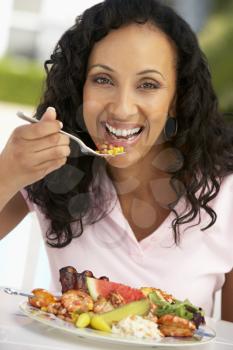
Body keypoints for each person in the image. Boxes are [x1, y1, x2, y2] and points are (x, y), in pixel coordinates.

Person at [0, 0, 233, 322]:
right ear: (79, 88)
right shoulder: (52, 170)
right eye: (103, 79)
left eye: (148, 85)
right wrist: (7, 172)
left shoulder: (227, 193)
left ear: (177, 99)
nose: (122, 108)